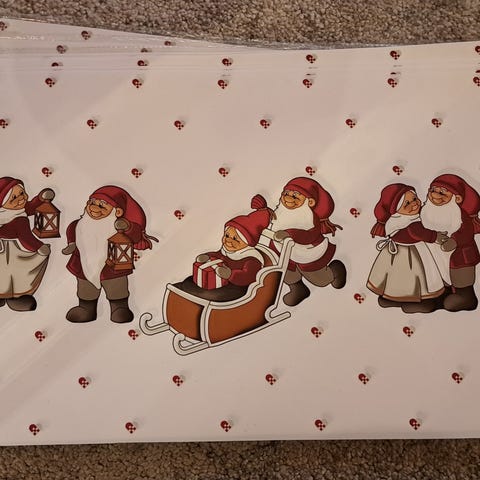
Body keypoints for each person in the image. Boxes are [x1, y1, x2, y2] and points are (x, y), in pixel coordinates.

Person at [62, 185, 156, 323]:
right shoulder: (80, 224)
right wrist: (71, 244)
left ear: (117, 211)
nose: (94, 208)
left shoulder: (119, 226)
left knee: (117, 288)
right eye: (92, 202)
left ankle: (119, 308)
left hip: (113, 266)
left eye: (102, 205)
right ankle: (86, 308)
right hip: (83, 264)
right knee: (86, 289)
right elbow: (72, 230)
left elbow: (135, 235)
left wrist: (127, 227)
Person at [261, 177, 346, 306]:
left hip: (307, 253)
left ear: (310, 201)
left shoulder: (308, 218)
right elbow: (269, 221)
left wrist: (290, 234)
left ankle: (335, 271)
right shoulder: (280, 213)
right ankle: (297, 289)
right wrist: (262, 209)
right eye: (286, 193)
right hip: (284, 252)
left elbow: (309, 235)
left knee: (320, 280)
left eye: (295, 196)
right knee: (286, 273)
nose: (288, 198)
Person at [367, 183, 452, 313]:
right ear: (396, 210)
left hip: (398, 253)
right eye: (407, 203)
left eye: (414, 198)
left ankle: (392, 298)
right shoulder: (407, 222)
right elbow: (419, 232)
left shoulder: (402, 219)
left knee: (396, 278)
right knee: (413, 277)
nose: (414, 204)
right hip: (410, 254)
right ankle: (414, 300)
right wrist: (436, 237)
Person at [175, 199, 273, 302]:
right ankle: (180, 294)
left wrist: (230, 274)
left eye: (235, 239)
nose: (228, 240)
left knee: (209, 294)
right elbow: (218, 255)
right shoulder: (227, 251)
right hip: (222, 281)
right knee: (189, 282)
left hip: (239, 288)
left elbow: (248, 276)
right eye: (226, 235)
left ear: (246, 243)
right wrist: (208, 256)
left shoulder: (251, 259)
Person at [421, 174, 480, 311]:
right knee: (441, 278)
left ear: (457, 198)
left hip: (460, 257)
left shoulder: (458, 214)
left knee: (461, 280)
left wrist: (454, 241)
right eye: (433, 190)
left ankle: (466, 298)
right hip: (438, 257)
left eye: (442, 192)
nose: (435, 195)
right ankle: (443, 296)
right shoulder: (426, 211)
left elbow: (466, 231)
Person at [0, 177, 53, 311]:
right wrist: (39, 247)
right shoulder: (19, 220)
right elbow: (26, 238)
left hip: (7, 250)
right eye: (14, 198)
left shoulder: (16, 210)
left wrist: (41, 198)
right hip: (14, 251)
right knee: (17, 273)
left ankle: (12, 297)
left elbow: (31, 207)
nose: (21, 199)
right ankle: (15, 296)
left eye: (22, 193)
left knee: (8, 275)